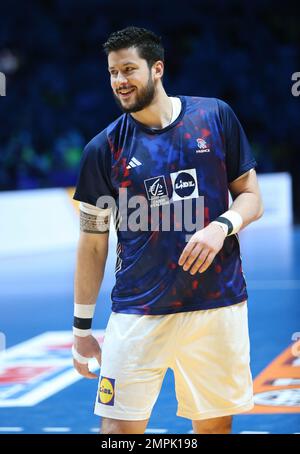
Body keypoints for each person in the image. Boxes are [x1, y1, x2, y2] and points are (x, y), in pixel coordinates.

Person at [72, 26, 264, 435]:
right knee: (117, 432)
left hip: (217, 305)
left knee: (213, 428)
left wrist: (222, 226)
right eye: (112, 72)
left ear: (157, 68)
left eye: (128, 69)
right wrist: (81, 329)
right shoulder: (102, 150)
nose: (120, 81)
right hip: (138, 312)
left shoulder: (214, 116)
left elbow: (251, 196)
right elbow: (92, 244)